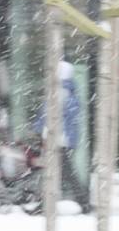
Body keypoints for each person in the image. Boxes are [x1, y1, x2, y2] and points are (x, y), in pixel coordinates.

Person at [37, 60, 91, 214]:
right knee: (63, 173)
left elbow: (48, 115)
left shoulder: (59, 91)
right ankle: (81, 201)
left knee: (57, 173)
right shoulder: (70, 91)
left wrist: (41, 130)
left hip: (57, 139)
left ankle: (47, 203)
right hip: (63, 139)